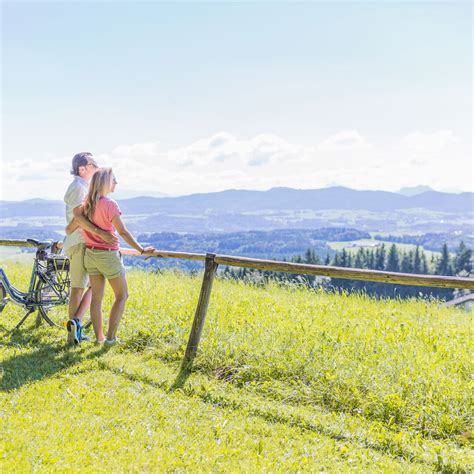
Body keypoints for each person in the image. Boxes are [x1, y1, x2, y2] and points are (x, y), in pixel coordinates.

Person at [71, 167, 155, 344]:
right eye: (114, 179)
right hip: (108, 255)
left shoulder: (86, 204)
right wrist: (141, 249)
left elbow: (74, 225)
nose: (116, 182)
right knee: (122, 296)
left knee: (96, 299)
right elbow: (122, 232)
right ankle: (110, 338)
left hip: (90, 254)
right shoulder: (110, 204)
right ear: (105, 183)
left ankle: (99, 338)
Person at [63, 152, 118, 344]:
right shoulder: (78, 187)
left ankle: (75, 323)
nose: (96, 168)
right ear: (82, 168)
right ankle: (73, 332)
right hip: (79, 243)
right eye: (93, 165)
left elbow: (74, 223)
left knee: (92, 287)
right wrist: (102, 234)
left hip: (84, 242)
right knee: (78, 288)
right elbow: (78, 218)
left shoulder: (83, 187)